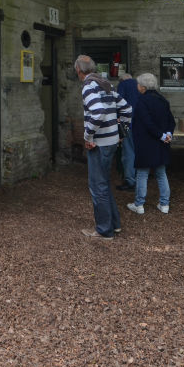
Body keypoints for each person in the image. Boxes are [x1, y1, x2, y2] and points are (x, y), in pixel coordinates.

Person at [75, 55, 132, 240]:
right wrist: (121, 131)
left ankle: (103, 230)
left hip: (99, 144)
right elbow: (127, 109)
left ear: (79, 70)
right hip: (112, 141)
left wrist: (88, 136)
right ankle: (114, 225)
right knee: (104, 184)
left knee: (97, 187)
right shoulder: (106, 84)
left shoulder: (89, 86)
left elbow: (97, 112)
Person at [126, 73, 175, 214]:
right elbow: (171, 121)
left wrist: (160, 135)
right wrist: (167, 134)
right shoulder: (163, 100)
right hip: (161, 143)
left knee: (142, 174)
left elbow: (147, 123)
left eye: (138, 84)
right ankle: (164, 204)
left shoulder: (142, 102)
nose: (137, 87)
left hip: (146, 142)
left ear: (143, 87)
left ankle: (139, 204)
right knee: (161, 173)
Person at [115, 73, 140, 191]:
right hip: (141, 123)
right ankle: (141, 179)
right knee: (138, 150)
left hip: (128, 123)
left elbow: (118, 103)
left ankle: (130, 181)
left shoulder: (123, 85)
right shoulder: (140, 85)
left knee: (128, 152)